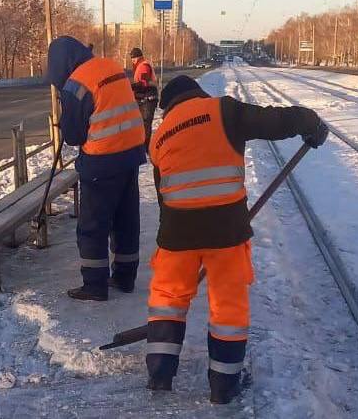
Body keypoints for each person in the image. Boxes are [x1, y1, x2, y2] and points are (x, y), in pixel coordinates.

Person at [145, 75, 328, 404]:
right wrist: (310, 121)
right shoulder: (222, 111)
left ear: (168, 106)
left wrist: (181, 237)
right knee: (227, 306)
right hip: (225, 231)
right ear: (197, 93)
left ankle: (159, 375)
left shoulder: (158, 138)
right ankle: (223, 388)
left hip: (175, 233)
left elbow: (164, 199)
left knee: (167, 301)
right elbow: (273, 121)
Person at [47, 36, 146, 301]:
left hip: (102, 161)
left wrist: (65, 117)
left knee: (93, 225)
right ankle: (125, 278)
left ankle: (94, 285)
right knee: (126, 220)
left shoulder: (75, 85)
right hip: (131, 154)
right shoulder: (111, 66)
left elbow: (74, 136)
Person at [129, 48, 158, 152]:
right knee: (141, 123)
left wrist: (130, 86)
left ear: (139, 57)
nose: (132, 60)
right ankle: (142, 146)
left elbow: (143, 83)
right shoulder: (139, 66)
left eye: (134, 57)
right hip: (144, 98)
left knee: (145, 123)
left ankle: (145, 148)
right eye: (131, 58)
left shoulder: (144, 66)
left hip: (148, 98)